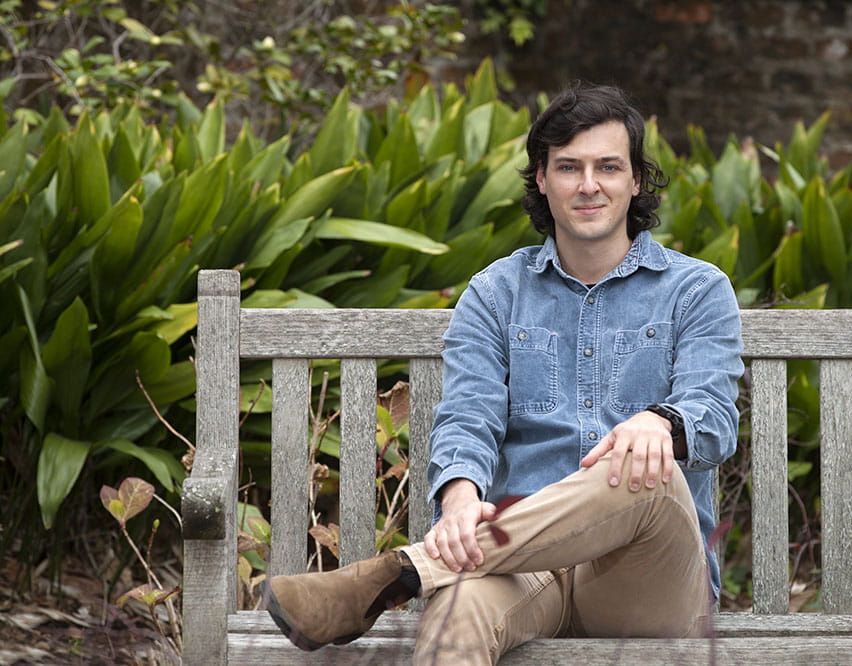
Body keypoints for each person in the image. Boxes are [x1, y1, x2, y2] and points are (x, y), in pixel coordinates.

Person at [261, 83, 744, 664]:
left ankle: (404, 572)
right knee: (456, 614)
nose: (589, 185)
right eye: (568, 167)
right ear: (541, 178)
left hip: (644, 578)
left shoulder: (696, 290)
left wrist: (661, 423)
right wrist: (459, 499)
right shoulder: (495, 294)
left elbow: (714, 419)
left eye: (608, 167)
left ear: (636, 180)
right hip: (521, 568)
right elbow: (469, 417)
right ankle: (424, 572)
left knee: (644, 466)